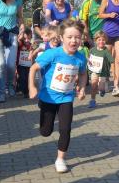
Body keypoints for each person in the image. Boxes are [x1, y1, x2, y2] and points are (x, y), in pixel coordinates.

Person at [28, 19, 87, 174]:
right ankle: (43, 112)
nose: (74, 41)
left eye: (77, 37)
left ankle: (60, 159)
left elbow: (83, 74)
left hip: (66, 98)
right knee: (45, 131)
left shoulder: (81, 57)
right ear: (61, 38)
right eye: (70, 37)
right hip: (48, 98)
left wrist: (81, 88)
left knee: (65, 129)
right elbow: (33, 68)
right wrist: (32, 87)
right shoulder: (52, 54)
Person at [87, 31, 113, 108]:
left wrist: (112, 69)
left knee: (101, 87)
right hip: (94, 71)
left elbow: (112, 60)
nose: (101, 42)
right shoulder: (92, 50)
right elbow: (89, 58)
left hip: (103, 72)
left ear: (105, 41)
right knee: (94, 84)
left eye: (103, 40)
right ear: (95, 41)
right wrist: (88, 61)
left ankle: (102, 90)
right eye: (99, 40)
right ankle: (92, 100)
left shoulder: (106, 51)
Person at [16, 28, 34, 98]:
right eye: (25, 39)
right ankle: (20, 89)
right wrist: (21, 34)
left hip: (28, 65)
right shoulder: (21, 44)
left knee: (27, 78)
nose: (26, 40)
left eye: (28, 39)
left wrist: (31, 52)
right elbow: (18, 41)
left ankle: (26, 92)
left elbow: (34, 49)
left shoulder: (31, 44)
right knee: (22, 76)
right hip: (20, 64)